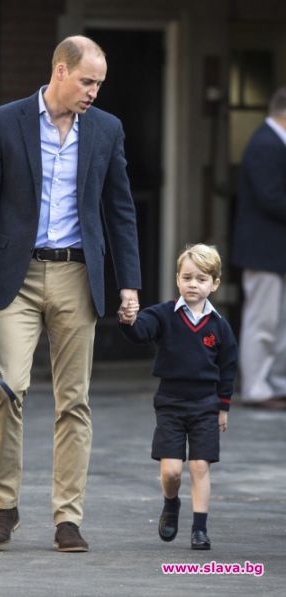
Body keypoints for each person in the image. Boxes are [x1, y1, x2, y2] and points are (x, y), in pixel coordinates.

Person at [0, 35, 141, 552]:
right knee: (6, 387)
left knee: (73, 400)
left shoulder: (106, 129)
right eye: (87, 81)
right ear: (60, 71)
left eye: (99, 83)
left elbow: (120, 209)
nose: (94, 91)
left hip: (78, 276)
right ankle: (4, 506)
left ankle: (67, 518)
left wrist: (128, 282)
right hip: (16, 276)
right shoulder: (3, 122)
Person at [119, 244, 237, 550]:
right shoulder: (163, 315)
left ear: (214, 284)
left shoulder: (219, 327)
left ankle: (200, 529)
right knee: (171, 471)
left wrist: (223, 406)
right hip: (170, 404)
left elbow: (228, 367)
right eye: (187, 278)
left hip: (206, 406)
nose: (193, 284)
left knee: (200, 466)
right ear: (177, 279)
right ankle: (171, 503)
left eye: (201, 279)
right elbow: (141, 332)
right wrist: (129, 320)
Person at [232, 86, 286, 410]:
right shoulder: (266, 144)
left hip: (274, 250)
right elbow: (271, 198)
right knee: (262, 321)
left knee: (278, 322)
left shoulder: (272, 142)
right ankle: (256, 387)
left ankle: (276, 384)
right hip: (263, 249)